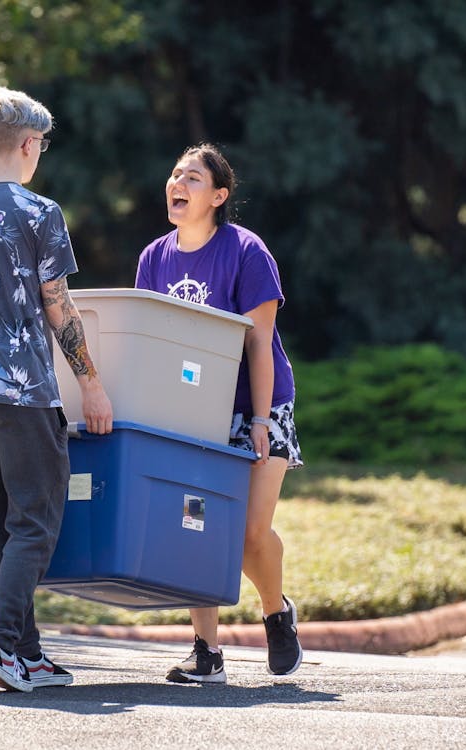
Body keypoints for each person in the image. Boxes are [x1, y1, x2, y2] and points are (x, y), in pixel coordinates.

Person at [0, 86, 113, 693]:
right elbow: (57, 306)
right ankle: (1, 645)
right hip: (22, 385)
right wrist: (91, 384)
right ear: (29, 144)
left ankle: (29, 654)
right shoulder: (42, 214)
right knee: (36, 519)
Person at [135, 143, 304, 683]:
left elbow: (260, 345)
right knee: (195, 527)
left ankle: (276, 613)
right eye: (175, 172)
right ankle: (206, 652)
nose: (177, 182)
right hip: (188, 410)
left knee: (251, 533)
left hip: (257, 402)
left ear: (218, 195)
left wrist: (258, 421)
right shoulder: (153, 258)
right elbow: (149, 342)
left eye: (192, 177)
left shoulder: (247, 252)